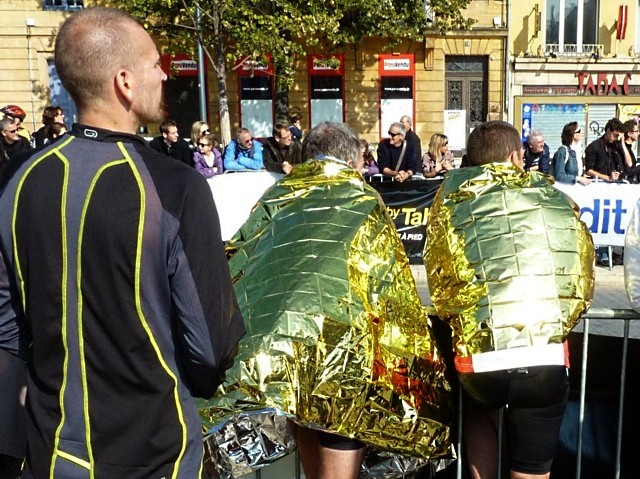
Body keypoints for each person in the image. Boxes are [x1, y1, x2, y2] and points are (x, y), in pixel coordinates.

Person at [0, 7, 244, 477]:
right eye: (156, 64)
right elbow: (209, 351)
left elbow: (7, 333)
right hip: (158, 452)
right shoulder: (175, 187)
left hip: (52, 450)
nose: (165, 74)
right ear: (125, 81)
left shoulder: (17, 180)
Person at [426, 120, 594, 479]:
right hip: (543, 352)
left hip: (480, 353)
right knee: (533, 464)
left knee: (478, 413)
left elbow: (438, 274)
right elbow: (580, 268)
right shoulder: (553, 198)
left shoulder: (451, 203)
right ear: (517, 156)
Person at [584, 118, 627, 182]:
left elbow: (629, 164)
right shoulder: (594, 146)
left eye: (618, 136)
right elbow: (589, 171)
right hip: (600, 184)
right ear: (608, 130)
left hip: (616, 185)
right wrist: (608, 177)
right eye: (615, 135)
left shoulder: (617, 146)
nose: (616, 138)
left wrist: (623, 143)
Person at [622, 119, 640, 183]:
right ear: (629, 133)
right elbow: (628, 168)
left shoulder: (630, 147)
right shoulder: (623, 147)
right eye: (637, 131)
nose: (638, 133)